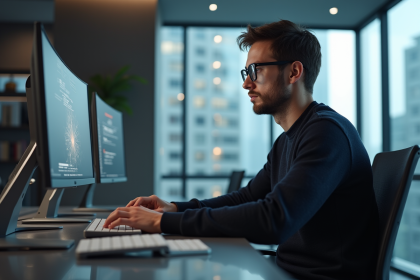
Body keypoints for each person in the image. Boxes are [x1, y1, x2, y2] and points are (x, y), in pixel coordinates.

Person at [104, 20, 379, 280]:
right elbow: (246, 197)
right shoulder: (287, 140)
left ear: (294, 72)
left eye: (256, 71)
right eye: (246, 73)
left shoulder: (326, 133)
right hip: (284, 271)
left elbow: (274, 219)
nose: (247, 83)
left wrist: (162, 223)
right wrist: (173, 209)